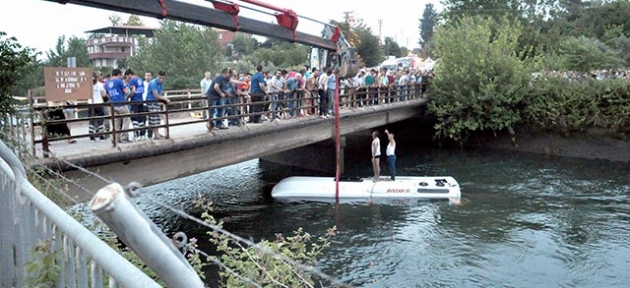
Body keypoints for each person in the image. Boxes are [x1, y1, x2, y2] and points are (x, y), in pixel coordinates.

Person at [146, 70, 170, 139]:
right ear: (158, 76)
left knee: (157, 118)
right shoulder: (153, 83)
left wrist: (161, 98)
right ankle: (156, 134)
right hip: (151, 101)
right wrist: (165, 99)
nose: (161, 80)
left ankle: (157, 133)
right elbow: (156, 94)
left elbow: (159, 93)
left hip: (156, 101)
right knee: (153, 118)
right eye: (160, 78)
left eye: (163, 78)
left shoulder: (161, 83)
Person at [89, 71, 106, 141]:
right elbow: (103, 94)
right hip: (99, 103)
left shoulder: (88, 85)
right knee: (100, 119)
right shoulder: (100, 85)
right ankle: (101, 133)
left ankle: (91, 133)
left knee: (91, 119)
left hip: (90, 103)